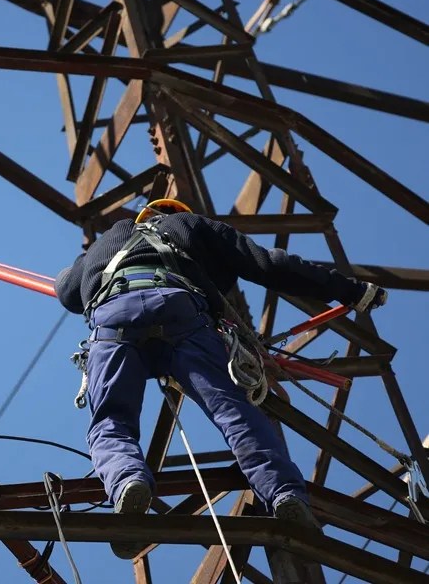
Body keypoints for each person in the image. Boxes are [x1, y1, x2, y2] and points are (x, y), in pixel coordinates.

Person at [54, 199, 387, 558]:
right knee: (235, 413)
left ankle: (127, 481)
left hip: (114, 318)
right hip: (180, 311)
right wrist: (349, 290)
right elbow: (270, 265)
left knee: (111, 421)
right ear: (174, 213)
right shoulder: (192, 226)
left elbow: (67, 291)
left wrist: (81, 266)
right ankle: (282, 493)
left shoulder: (109, 239)